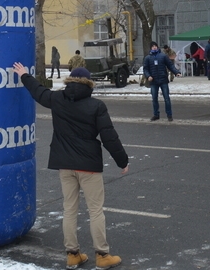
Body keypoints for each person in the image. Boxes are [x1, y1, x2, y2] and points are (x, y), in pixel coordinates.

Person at [13, 62, 128, 270]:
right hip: (89, 167)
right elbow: (109, 137)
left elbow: (39, 92)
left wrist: (24, 75)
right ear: (89, 84)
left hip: (64, 165)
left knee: (69, 209)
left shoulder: (58, 99)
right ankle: (102, 255)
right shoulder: (96, 106)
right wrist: (123, 161)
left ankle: (73, 254)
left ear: (69, 81)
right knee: (95, 211)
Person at [143, 41, 181, 121]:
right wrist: (148, 76)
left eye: (155, 46)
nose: (154, 47)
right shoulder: (148, 58)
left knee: (167, 98)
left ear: (157, 47)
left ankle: (169, 115)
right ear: (150, 48)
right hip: (153, 81)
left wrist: (176, 72)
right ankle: (156, 114)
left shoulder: (163, 56)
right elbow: (145, 69)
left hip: (163, 79)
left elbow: (170, 65)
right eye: (152, 46)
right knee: (154, 98)